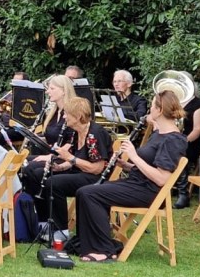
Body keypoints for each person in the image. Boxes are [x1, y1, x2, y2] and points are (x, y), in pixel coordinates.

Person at [74, 90, 188, 262]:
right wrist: (126, 165)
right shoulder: (159, 134)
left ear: (159, 110)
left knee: (89, 194)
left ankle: (104, 250)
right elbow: (149, 166)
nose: (149, 109)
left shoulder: (173, 140)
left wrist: (134, 156)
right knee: (85, 191)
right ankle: (89, 244)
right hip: (137, 183)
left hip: (148, 192)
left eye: (152, 106)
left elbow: (162, 178)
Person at [21, 96, 112, 238]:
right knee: (37, 174)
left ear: (78, 116)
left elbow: (97, 168)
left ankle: (61, 231)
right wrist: (60, 167)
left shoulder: (95, 133)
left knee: (54, 183)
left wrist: (69, 158)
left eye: (67, 114)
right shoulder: (77, 131)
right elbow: (76, 158)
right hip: (79, 171)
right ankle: (43, 222)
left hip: (94, 177)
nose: (64, 117)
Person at [174, 84, 200, 209]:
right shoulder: (175, 102)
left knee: (178, 152)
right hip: (172, 141)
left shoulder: (199, 105)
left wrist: (183, 141)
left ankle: (183, 193)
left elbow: (197, 130)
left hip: (190, 144)